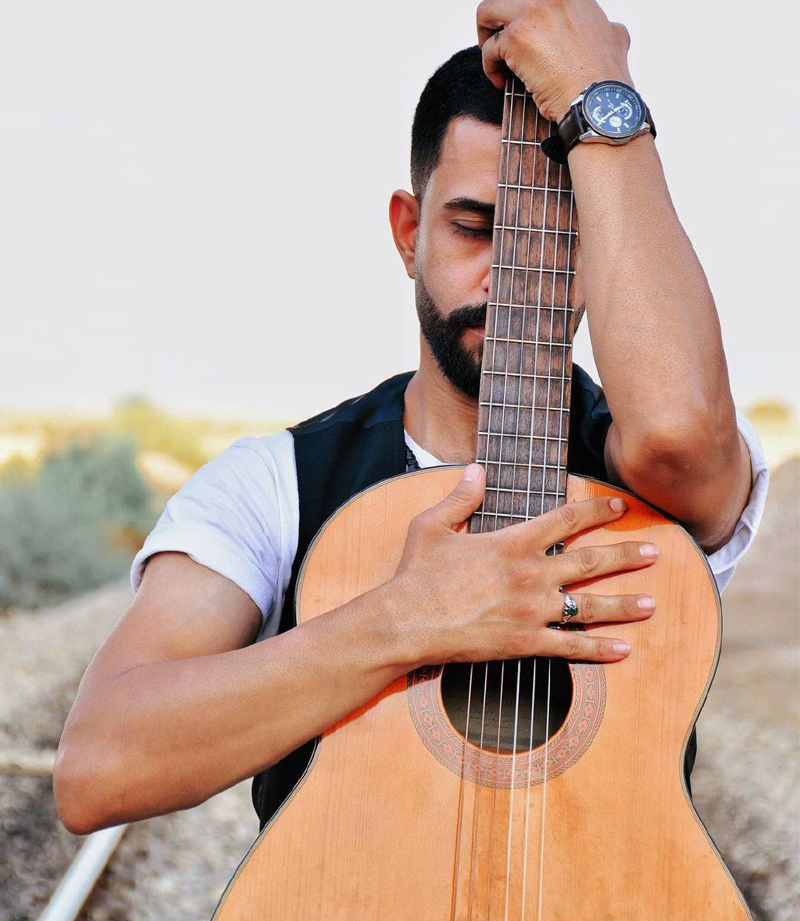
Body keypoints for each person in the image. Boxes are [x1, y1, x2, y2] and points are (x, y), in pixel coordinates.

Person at [54, 0, 768, 836]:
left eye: (558, 235)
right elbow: (96, 771)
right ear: (408, 232)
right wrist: (403, 621)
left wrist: (600, 94)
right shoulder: (277, 485)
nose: (513, 280)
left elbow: (677, 436)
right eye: (475, 229)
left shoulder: (660, 473)